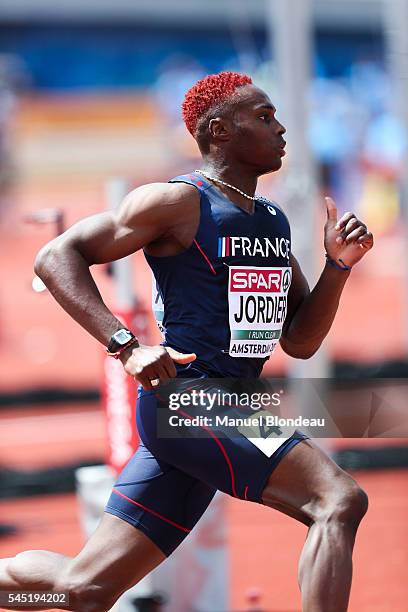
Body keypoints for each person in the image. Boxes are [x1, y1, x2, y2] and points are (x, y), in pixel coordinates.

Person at [0, 72, 373, 612]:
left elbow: (299, 341)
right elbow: (56, 256)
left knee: (85, 588)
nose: (282, 129)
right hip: (191, 399)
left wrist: (337, 267)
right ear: (219, 130)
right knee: (337, 498)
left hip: (231, 404)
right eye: (265, 118)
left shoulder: (271, 220)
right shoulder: (177, 202)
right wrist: (127, 346)